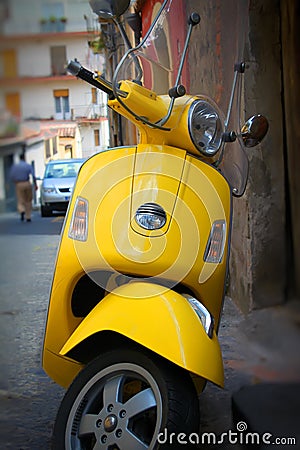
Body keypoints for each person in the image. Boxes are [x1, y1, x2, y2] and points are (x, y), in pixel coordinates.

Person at [9, 153, 37, 222]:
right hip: (27, 183)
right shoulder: (28, 166)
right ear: (24, 158)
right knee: (28, 200)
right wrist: (35, 184)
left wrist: (15, 182)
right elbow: (33, 175)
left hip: (19, 184)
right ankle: (28, 216)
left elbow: (11, 176)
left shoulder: (15, 167)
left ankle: (22, 210)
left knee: (20, 199)